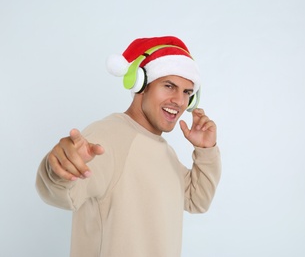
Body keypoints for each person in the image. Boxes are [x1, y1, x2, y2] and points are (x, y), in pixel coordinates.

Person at [36, 36, 221, 257]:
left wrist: (206, 151)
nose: (179, 101)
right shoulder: (107, 136)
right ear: (141, 83)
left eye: (186, 92)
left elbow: (196, 200)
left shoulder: (164, 151)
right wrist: (57, 168)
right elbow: (61, 194)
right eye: (169, 86)